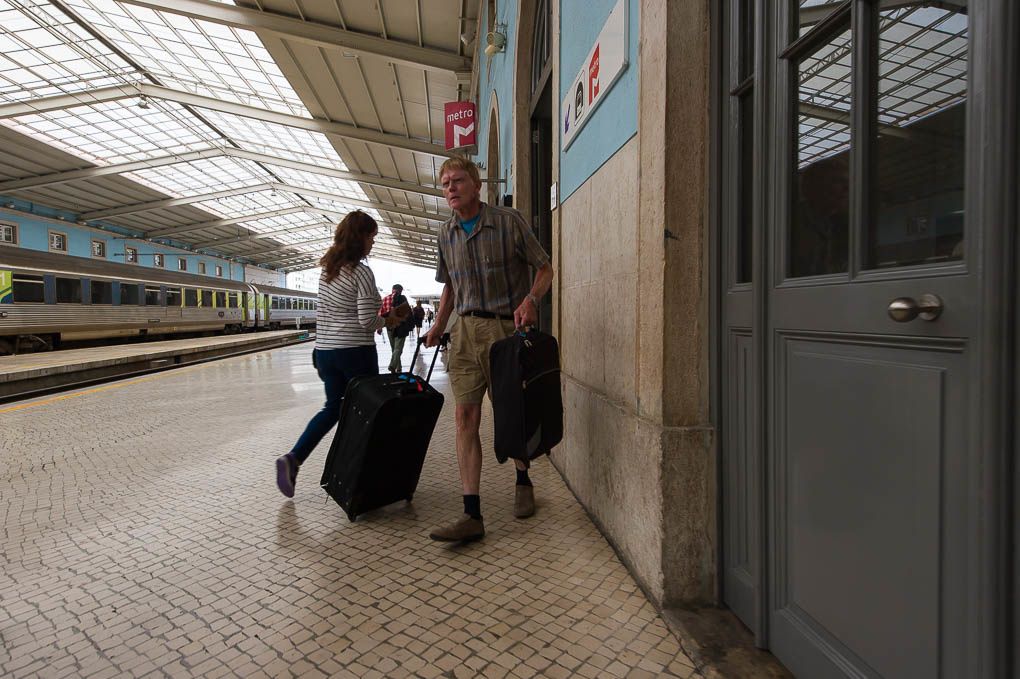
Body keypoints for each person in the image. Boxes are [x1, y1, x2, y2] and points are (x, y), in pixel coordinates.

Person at [423, 156, 554, 542]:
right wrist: (439, 324)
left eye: (458, 180)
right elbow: (450, 286)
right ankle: (471, 513)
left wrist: (531, 299)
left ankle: (523, 479)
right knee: (464, 416)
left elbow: (545, 267)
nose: (450, 188)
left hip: (504, 332)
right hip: (464, 332)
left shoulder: (508, 222)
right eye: (445, 183)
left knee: (511, 414)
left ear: (477, 185)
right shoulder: (445, 233)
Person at [276, 211, 407, 498]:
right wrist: (390, 320)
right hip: (354, 352)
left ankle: (294, 458)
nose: (373, 242)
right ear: (360, 238)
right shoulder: (361, 272)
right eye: (371, 236)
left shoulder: (327, 271)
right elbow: (366, 321)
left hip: (325, 352)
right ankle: (366, 476)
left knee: (333, 408)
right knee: (371, 411)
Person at [385, 284, 413, 372]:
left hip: (390, 327)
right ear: (401, 290)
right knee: (398, 348)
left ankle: (398, 367)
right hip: (401, 327)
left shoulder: (387, 299)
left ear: (392, 289)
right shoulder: (403, 298)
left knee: (394, 348)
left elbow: (382, 313)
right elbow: (408, 312)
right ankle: (393, 365)